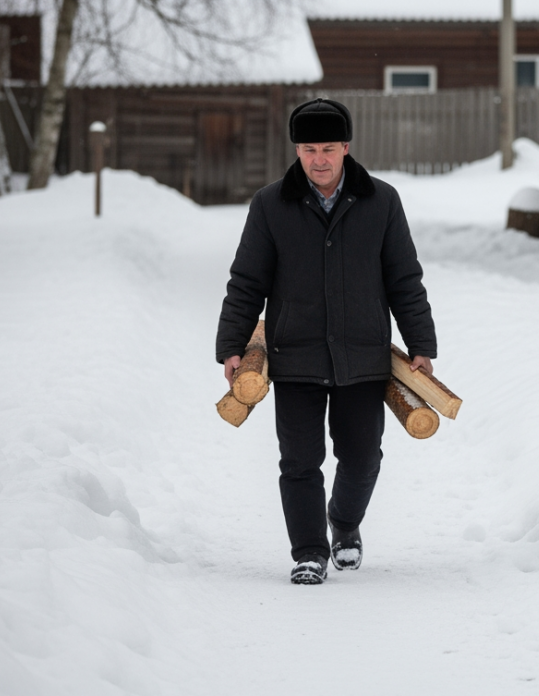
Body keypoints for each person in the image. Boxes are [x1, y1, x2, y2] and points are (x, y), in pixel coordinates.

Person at [215, 98, 437, 585]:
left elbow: (404, 278)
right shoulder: (270, 204)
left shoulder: (381, 201)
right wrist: (232, 345)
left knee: (363, 457)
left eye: (329, 148)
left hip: (362, 354)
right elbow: (247, 281)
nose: (319, 159)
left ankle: (344, 521)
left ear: (346, 147)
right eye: (309, 149)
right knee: (299, 461)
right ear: (297, 150)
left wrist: (421, 343)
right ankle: (309, 552)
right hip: (295, 354)